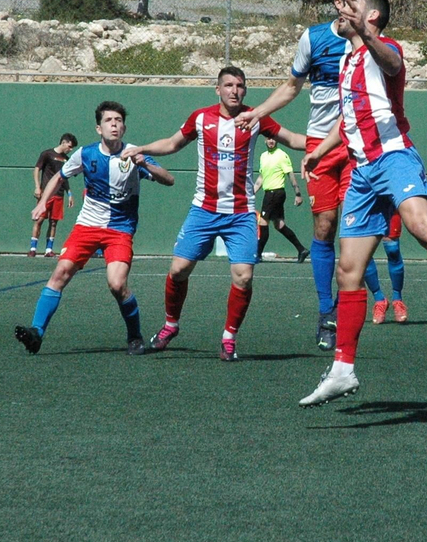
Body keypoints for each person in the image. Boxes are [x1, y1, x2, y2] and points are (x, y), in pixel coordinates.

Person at [298, 0, 427, 406]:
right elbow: (349, 120)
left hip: (393, 157)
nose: (342, 10)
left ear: (372, 17)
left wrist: (367, 34)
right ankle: (343, 370)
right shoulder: (346, 61)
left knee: (423, 227)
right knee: (348, 271)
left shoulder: (384, 49)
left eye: (353, 5)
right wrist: (319, 151)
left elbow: (392, 63)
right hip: (362, 171)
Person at [235, 0, 387, 351]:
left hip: (358, 143)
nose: (364, 5)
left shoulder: (374, 42)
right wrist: (258, 112)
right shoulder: (314, 39)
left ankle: (366, 301)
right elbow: (291, 87)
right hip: (321, 143)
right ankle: (325, 312)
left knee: (354, 229)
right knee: (323, 226)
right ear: (339, 3)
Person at [123, 67, 309, 361]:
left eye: (240, 86)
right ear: (218, 90)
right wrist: (142, 148)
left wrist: (333, 141)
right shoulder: (200, 118)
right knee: (178, 270)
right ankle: (171, 325)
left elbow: (295, 139)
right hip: (204, 210)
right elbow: (172, 143)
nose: (235, 90)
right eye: (229, 85)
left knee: (243, 277)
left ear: (245, 90)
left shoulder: (256, 118)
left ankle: (229, 338)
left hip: (241, 214)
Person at [15, 102, 174, 355]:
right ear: (99, 128)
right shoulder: (85, 154)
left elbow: (169, 179)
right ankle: (37, 332)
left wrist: (145, 163)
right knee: (60, 273)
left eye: (118, 120)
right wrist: (43, 202)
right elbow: (59, 176)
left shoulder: (134, 153)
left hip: (120, 229)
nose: (114, 124)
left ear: (124, 127)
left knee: (117, 285)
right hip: (87, 226)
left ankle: (135, 336)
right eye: (109, 120)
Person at [255, 134, 309, 263]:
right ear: (265, 140)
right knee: (279, 225)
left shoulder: (282, 155)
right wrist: (251, 192)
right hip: (270, 193)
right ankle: (301, 249)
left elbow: (290, 175)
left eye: (273, 139)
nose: (271, 141)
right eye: (269, 139)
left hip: (275, 193)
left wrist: (297, 194)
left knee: (263, 222)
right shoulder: (263, 156)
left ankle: (257, 254)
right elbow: (261, 178)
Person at [29, 133, 78, 256]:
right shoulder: (47, 154)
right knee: (39, 220)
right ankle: (33, 249)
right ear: (63, 142)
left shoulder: (66, 159)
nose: (70, 150)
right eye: (70, 146)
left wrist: (69, 193)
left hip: (59, 195)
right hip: (46, 195)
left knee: (53, 222)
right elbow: (36, 169)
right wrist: (37, 187)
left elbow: (64, 178)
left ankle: (48, 250)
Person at [367, 213, 407, 324]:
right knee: (364, 254)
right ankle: (379, 300)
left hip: (389, 204)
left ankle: (397, 300)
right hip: (365, 204)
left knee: (393, 250)